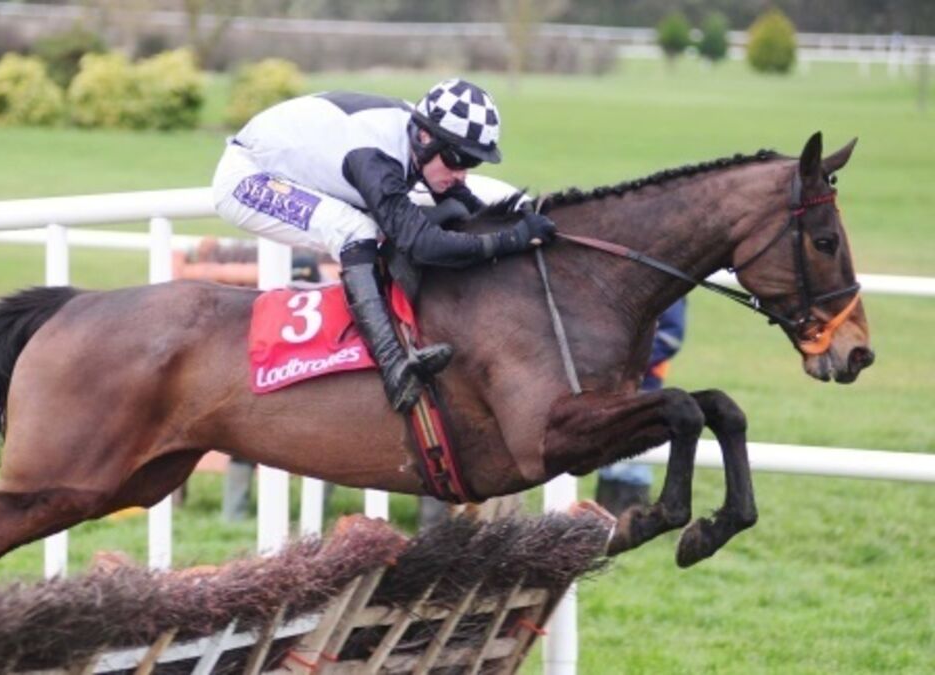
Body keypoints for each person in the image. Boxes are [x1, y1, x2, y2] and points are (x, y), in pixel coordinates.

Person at [212, 79, 556, 413]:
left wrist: (515, 223)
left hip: (296, 166)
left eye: (472, 162)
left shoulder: (419, 137)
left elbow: (459, 200)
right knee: (355, 230)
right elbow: (423, 245)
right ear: (425, 138)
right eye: (457, 160)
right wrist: (512, 239)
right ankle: (393, 366)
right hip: (247, 178)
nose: (462, 173)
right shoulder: (377, 158)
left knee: (413, 220)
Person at [595, 298, 688, 515]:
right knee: (609, 452)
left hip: (643, 382)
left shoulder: (670, 291)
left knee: (632, 456)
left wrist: (626, 362)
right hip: (610, 381)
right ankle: (608, 515)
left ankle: (630, 515)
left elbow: (671, 336)